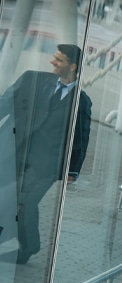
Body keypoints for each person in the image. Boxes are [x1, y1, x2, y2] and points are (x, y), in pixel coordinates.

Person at [0, 44, 92, 265]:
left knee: (23, 202)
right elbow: (4, 103)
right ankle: (29, 243)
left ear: (73, 66)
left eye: (58, 60)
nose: (53, 62)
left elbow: (80, 136)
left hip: (46, 166)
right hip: (15, 153)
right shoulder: (33, 79)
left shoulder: (82, 101)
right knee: (14, 200)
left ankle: (28, 245)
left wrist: (73, 170)